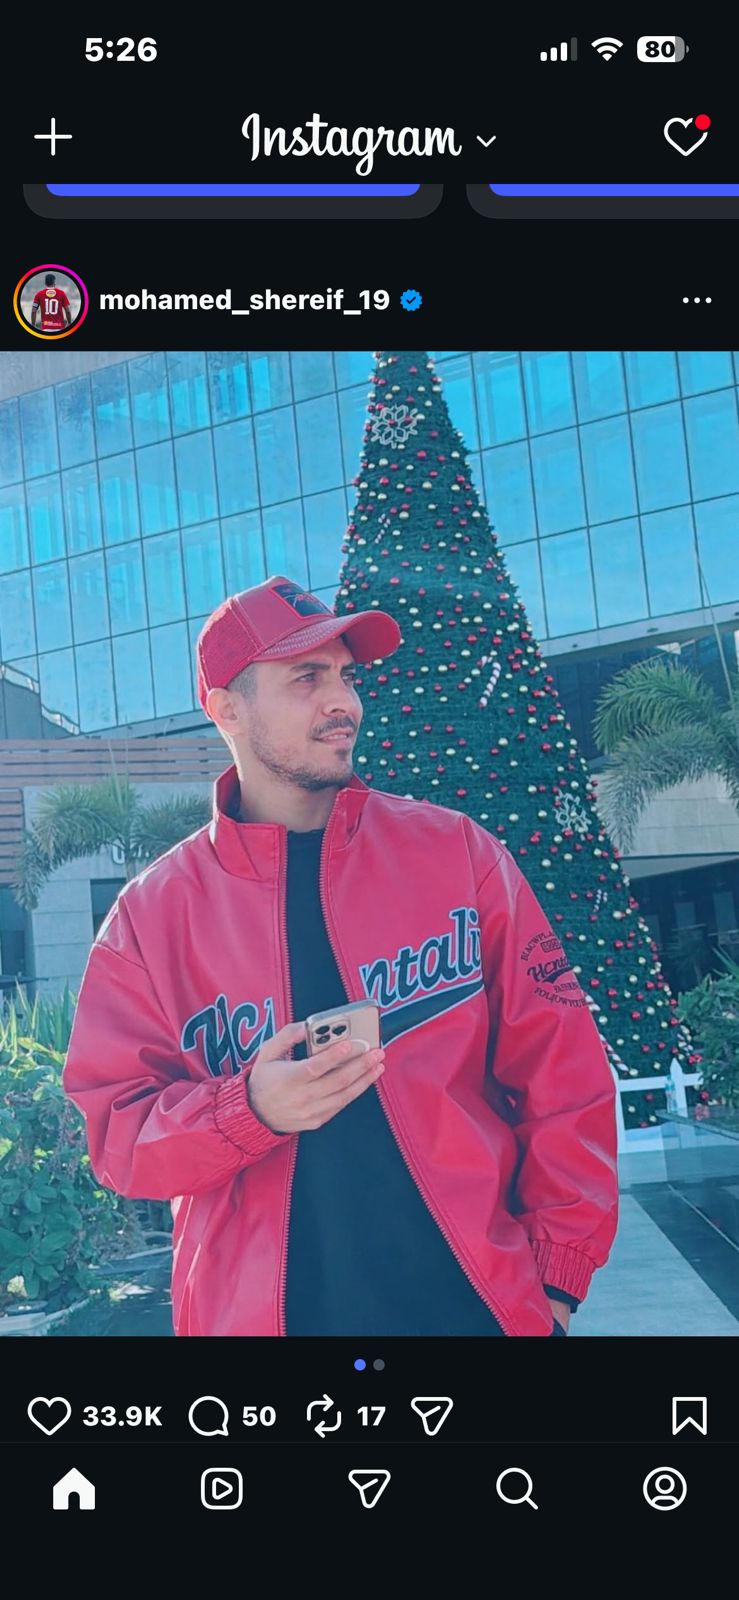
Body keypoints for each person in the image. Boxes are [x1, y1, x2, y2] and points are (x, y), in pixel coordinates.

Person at [63, 574, 618, 1336]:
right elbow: (117, 1140)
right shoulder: (149, 918)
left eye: (346, 676)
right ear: (226, 709)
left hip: (477, 1314)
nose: (343, 702)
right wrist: (249, 1111)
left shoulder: (456, 854)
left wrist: (554, 1280)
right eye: (306, 678)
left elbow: (562, 1072)